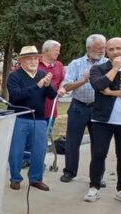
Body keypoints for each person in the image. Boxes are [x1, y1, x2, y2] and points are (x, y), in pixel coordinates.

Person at [6, 46, 57, 192]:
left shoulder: (42, 74)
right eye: (29, 58)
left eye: (35, 58)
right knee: (17, 150)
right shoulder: (14, 76)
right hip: (19, 117)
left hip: (39, 118)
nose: (33, 61)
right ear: (21, 60)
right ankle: (15, 178)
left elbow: (52, 96)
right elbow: (16, 95)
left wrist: (47, 86)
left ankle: (36, 178)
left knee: (40, 150)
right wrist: (37, 86)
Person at [60, 34, 108, 183]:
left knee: (99, 145)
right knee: (72, 142)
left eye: (104, 48)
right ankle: (69, 172)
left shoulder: (108, 64)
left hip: (99, 108)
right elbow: (67, 86)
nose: (102, 51)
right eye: (99, 48)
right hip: (78, 106)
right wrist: (83, 80)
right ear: (88, 48)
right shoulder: (76, 64)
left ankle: (98, 176)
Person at [85, 37, 121, 203]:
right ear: (106, 51)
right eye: (111, 49)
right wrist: (115, 68)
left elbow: (105, 89)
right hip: (102, 120)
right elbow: (98, 85)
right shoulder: (98, 68)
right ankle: (94, 187)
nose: (115, 52)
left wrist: (110, 93)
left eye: (119, 48)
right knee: (98, 154)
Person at [22, 40, 66, 168]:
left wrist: (62, 88)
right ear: (46, 50)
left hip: (51, 107)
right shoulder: (35, 62)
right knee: (28, 135)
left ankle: (38, 160)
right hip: (32, 106)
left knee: (43, 136)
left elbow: (63, 80)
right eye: (56, 50)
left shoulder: (59, 65)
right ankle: (25, 159)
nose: (59, 52)